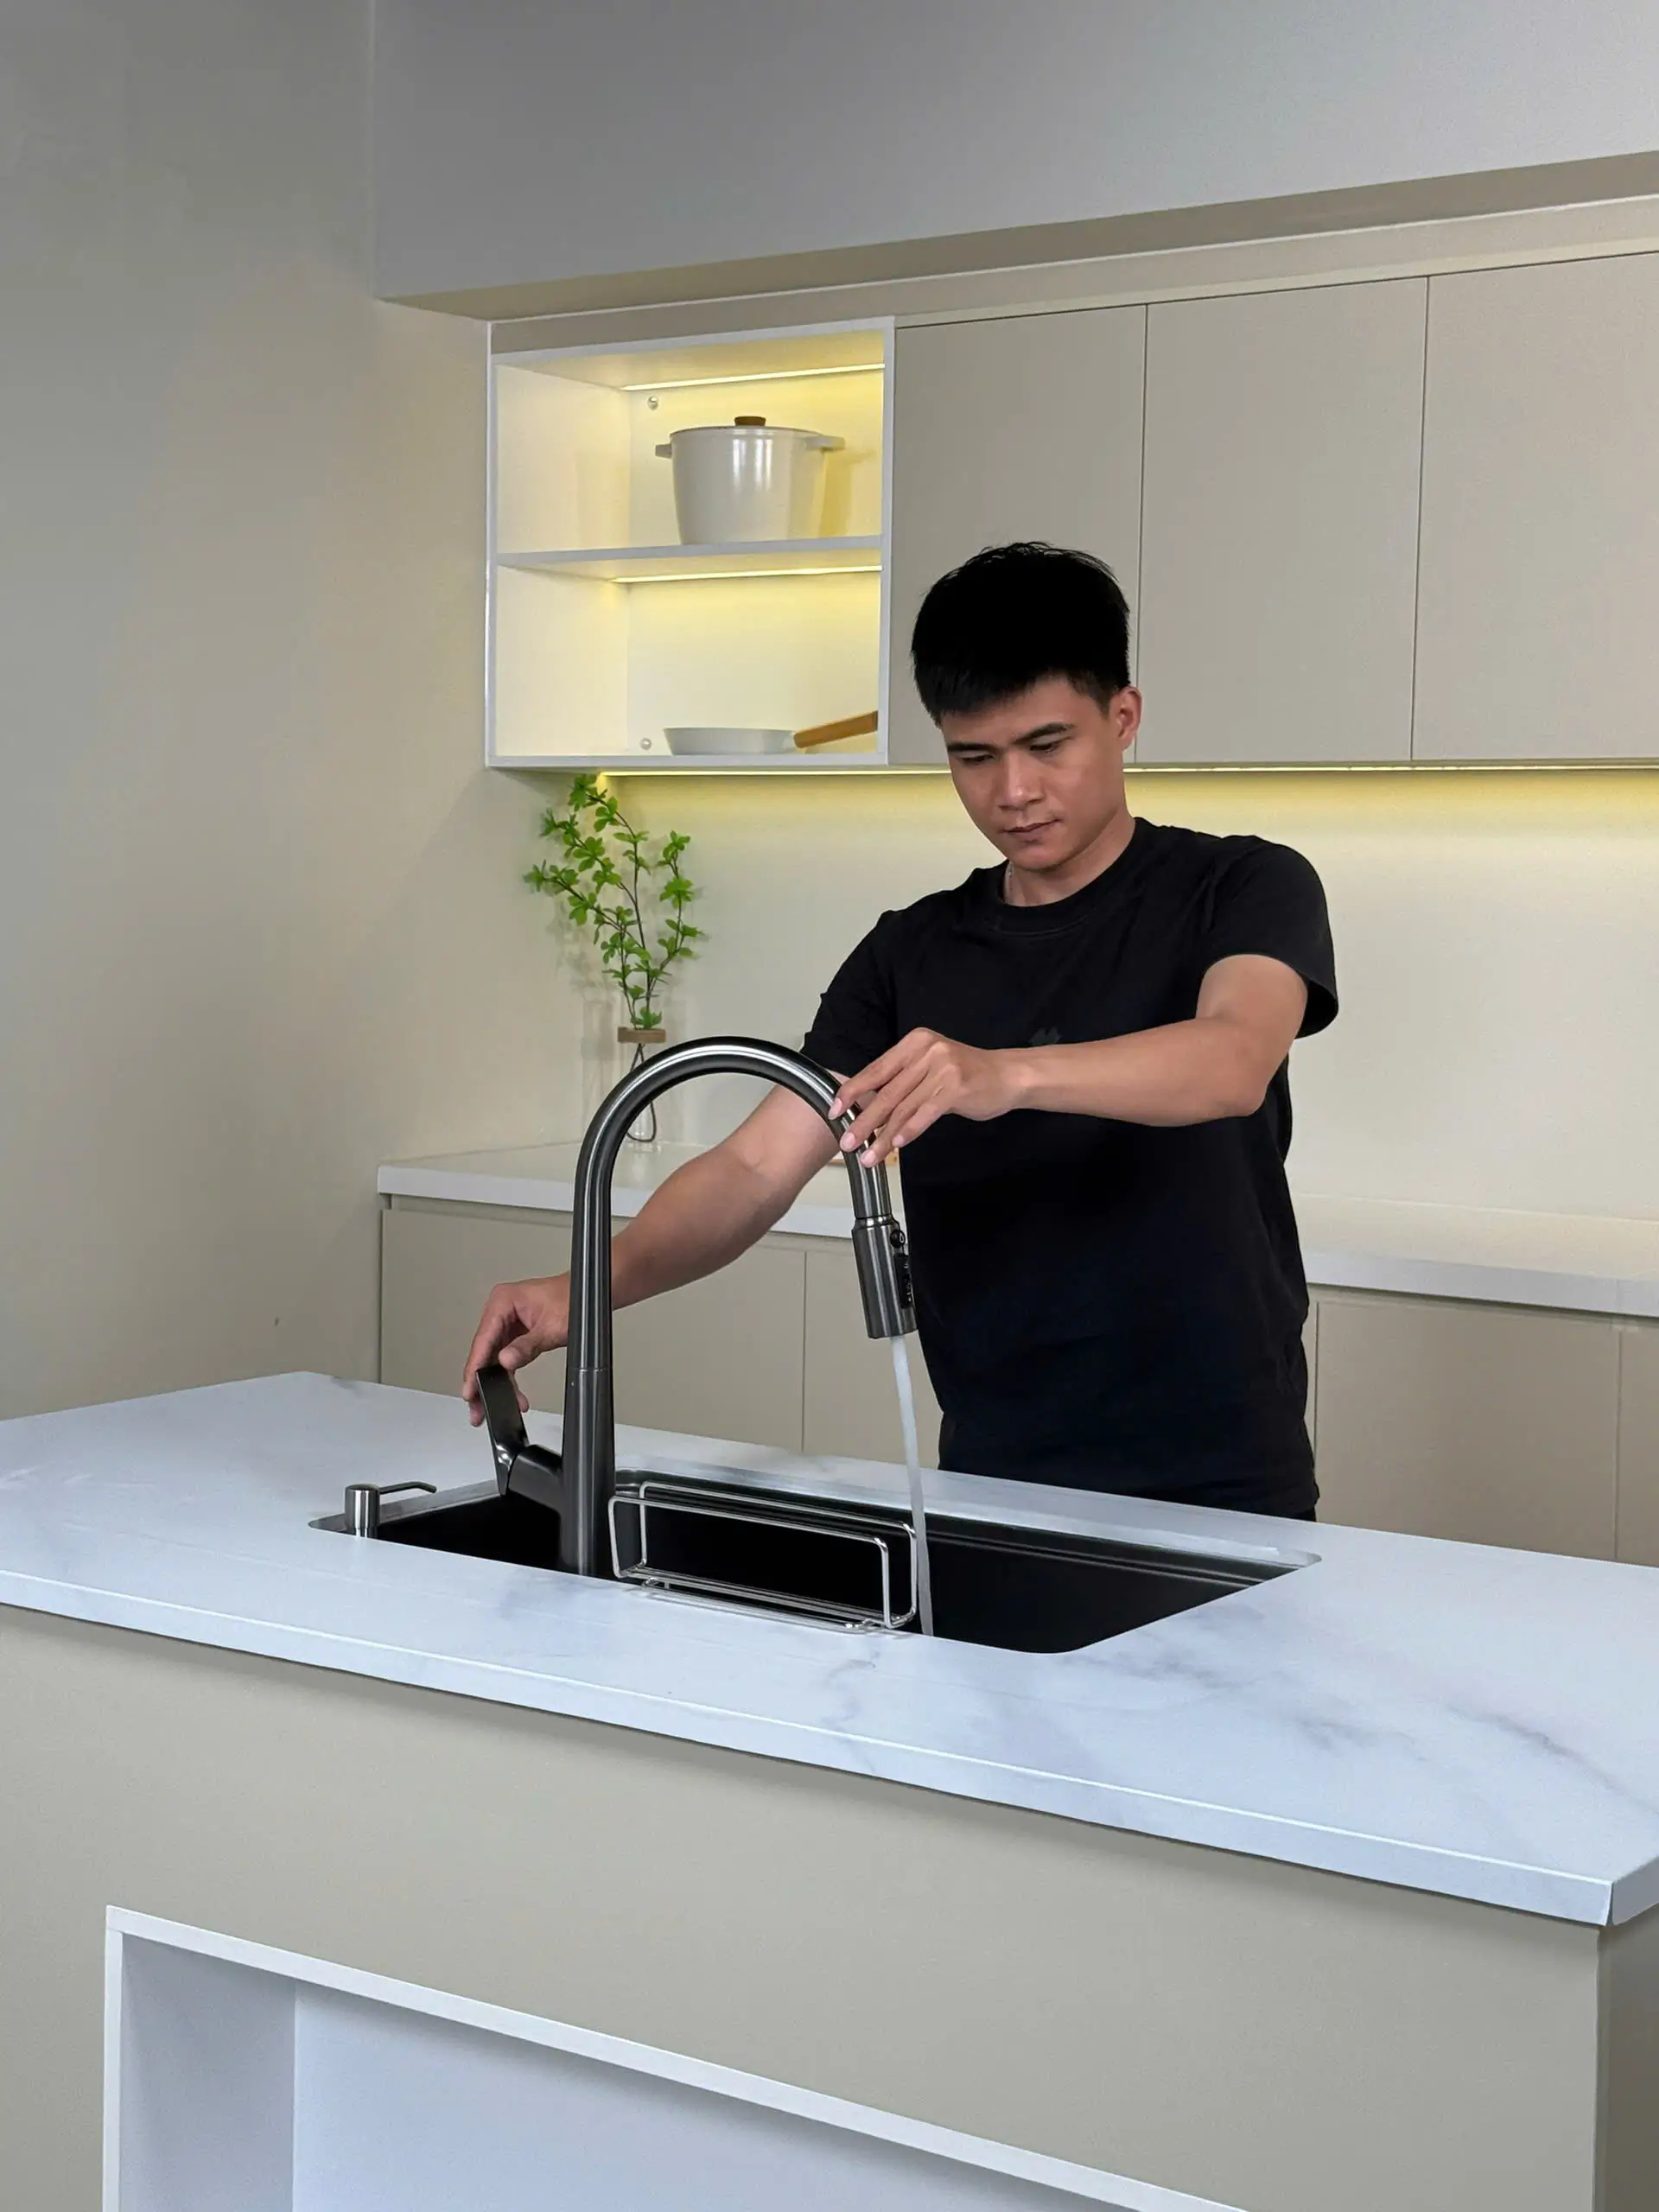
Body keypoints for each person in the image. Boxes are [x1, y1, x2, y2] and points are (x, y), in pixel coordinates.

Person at [464, 543, 1337, 1518]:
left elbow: (1231, 1060)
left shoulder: (1242, 886)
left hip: (1224, 1479)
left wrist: (1003, 1075)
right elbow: (754, 1167)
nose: (1013, 791)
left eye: (1047, 746)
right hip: (991, 1479)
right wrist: (583, 1288)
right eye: (974, 757)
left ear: (1123, 718)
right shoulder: (911, 955)